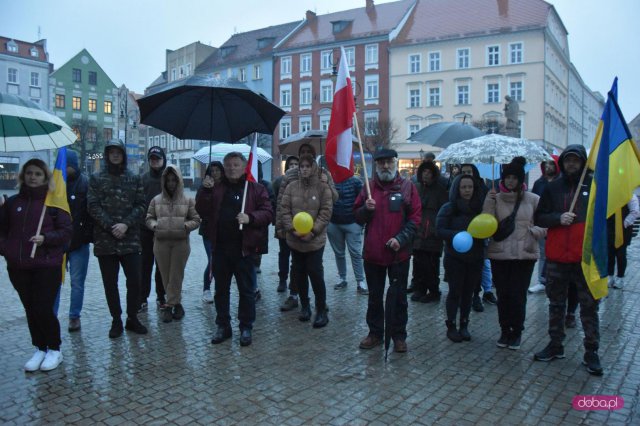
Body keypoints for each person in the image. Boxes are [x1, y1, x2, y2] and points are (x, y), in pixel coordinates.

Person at [533, 144, 603, 376]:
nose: (571, 164)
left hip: (585, 258)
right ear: (562, 163)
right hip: (557, 257)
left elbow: (605, 219)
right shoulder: (553, 188)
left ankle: (591, 351)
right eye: (568, 160)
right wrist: (557, 218)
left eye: (575, 160)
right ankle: (555, 345)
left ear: (583, 162)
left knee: (589, 307)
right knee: (556, 304)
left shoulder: (595, 186)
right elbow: (540, 217)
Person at [0, 159, 72, 371]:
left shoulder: (53, 204)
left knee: (42, 307)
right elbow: (2, 232)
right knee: (30, 308)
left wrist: (46, 238)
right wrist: (7, 250)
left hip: (46, 264)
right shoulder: (12, 203)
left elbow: (67, 232)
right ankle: (40, 347)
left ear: (45, 177)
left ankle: (54, 348)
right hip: (18, 266)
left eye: (38, 174)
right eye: (29, 173)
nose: (33, 177)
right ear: (23, 176)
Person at [195, 152, 273, 347]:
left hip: (244, 249)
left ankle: (246, 326)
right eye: (228, 165)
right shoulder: (216, 188)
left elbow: (268, 212)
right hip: (221, 248)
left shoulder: (255, 188)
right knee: (221, 290)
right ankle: (223, 325)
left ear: (244, 166)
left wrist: (250, 218)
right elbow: (202, 210)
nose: (232, 168)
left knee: (246, 291)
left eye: (236, 165)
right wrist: (204, 192)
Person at [354, 148, 421, 353]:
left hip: (398, 254)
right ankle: (375, 333)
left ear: (396, 163)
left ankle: (398, 335)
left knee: (399, 297)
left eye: (389, 162)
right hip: (373, 254)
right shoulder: (368, 187)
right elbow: (356, 217)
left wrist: (400, 239)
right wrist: (366, 209)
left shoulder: (408, 187)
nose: (385, 166)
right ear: (375, 165)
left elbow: (415, 218)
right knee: (375, 296)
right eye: (381, 163)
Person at [88, 139, 148, 338]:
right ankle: (116, 320)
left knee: (135, 281)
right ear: (107, 155)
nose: (115, 155)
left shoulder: (134, 178)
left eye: (118, 152)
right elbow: (93, 206)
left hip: (130, 239)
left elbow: (141, 205)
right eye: (111, 152)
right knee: (110, 283)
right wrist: (111, 226)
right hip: (105, 241)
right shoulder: (96, 178)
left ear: (123, 155)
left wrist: (125, 224)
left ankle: (132, 317)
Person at [483, 157, 545, 349]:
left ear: (520, 179)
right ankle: (504, 330)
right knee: (503, 294)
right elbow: (486, 224)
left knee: (518, 295)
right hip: (500, 254)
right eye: (508, 177)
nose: (511, 181)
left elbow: (544, 225)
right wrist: (488, 202)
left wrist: (532, 233)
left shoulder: (533, 199)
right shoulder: (495, 198)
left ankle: (516, 331)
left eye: (514, 178)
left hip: (523, 255)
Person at [275, 143, 338, 312]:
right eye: (302, 154)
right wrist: (286, 228)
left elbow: (330, 204)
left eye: (308, 156)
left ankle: (320, 306)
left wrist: (314, 231)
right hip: (294, 236)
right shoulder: (290, 178)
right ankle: (300, 301)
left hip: (315, 237)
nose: (303, 168)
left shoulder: (324, 177)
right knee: (298, 270)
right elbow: (283, 205)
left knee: (315, 271)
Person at [146, 165, 201, 323]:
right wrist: (155, 226)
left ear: (179, 181)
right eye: (168, 180)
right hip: (161, 242)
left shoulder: (188, 200)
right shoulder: (156, 200)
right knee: (165, 275)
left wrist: (185, 226)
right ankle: (177, 304)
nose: (171, 183)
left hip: (180, 243)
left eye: (174, 180)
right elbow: (149, 218)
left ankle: (169, 306)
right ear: (164, 181)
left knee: (176, 275)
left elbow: (196, 219)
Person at [436, 174, 485, 342]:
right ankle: (451, 325)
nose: (467, 190)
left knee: (468, 293)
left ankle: (464, 324)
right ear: (457, 188)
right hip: (454, 257)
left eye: (470, 187)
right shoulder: (448, 208)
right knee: (455, 292)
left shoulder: (480, 208)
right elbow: (440, 230)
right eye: (463, 187)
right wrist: (458, 235)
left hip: (475, 257)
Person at [52, 150, 93, 332]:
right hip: (57, 243)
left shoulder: (85, 183)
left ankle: (74, 316)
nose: (64, 168)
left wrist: (86, 235)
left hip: (79, 242)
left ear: (74, 165)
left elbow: (91, 211)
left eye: (67, 165)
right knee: (54, 281)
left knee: (77, 282)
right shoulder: (54, 184)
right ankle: (51, 316)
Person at [410, 160, 448, 303]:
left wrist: (436, 228)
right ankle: (420, 288)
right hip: (418, 231)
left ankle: (433, 290)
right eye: (424, 172)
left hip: (432, 232)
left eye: (429, 172)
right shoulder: (416, 187)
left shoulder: (440, 190)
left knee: (431, 265)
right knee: (419, 262)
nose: (426, 175)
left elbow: (444, 210)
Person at [460, 163, 496, 310]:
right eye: (464, 172)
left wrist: (492, 199)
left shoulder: (483, 188)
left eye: (469, 171)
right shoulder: (456, 189)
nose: (467, 174)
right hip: (462, 235)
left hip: (479, 233)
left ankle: (480, 294)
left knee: (481, 265)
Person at [327, 174, 367, 295]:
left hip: (352, 223)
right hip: (334, 223)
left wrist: (360, 222)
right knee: (339, 253)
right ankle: (342, 278)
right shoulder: (330, 181)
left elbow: (364, 200)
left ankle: (360, 281)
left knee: (355, 253)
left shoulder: (356, 181)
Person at [139, 146, 166, 311]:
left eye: (158, 158)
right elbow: (138, 202)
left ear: (163, 159)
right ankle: (142, 297)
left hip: (164, 229)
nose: (155, 161)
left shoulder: (169, 178)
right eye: (152, 159)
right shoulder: (143, 179)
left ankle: (161, 296)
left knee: (162, 266)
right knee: (145, 265)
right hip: (145, 229)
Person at [529, 155, 560, 293]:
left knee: (554, 253)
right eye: (546, 164)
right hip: (542, 222)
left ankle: (554, 280)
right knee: (543, 253)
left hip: (557, 223)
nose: (548, 167)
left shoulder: (561, 183)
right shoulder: (538, 183)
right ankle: (542, 281)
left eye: (551, 164)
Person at [197, 161, 224, 303]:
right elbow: (199, 208)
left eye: (217, 170)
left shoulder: (226, 186)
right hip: (208, 230)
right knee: (212, 260)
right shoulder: (204, 187)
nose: (215, 173)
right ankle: (206, 289)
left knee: (220, 261)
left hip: (223, 230)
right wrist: (206, 190)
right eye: (212, 170)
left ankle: (220, 288)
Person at [272, 156, 298, 293]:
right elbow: (275, 203)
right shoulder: (279, 181)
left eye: (296, 164)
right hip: (283, 224)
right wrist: (277, 223)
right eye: (291, 164)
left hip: (299, 224)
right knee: (284, 254)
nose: (293, 166)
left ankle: (294, 283)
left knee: (296, 256)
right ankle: (282, 279)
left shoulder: (302, 181)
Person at [607, 193, 639, 289]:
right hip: (610, 228)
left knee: (621, 254)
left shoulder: (629, 195)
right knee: (609, 254)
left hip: (623, 230)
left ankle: (620, 278)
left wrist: (625, 223)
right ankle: (610, 277)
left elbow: (635, 211)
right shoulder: (610, 193)